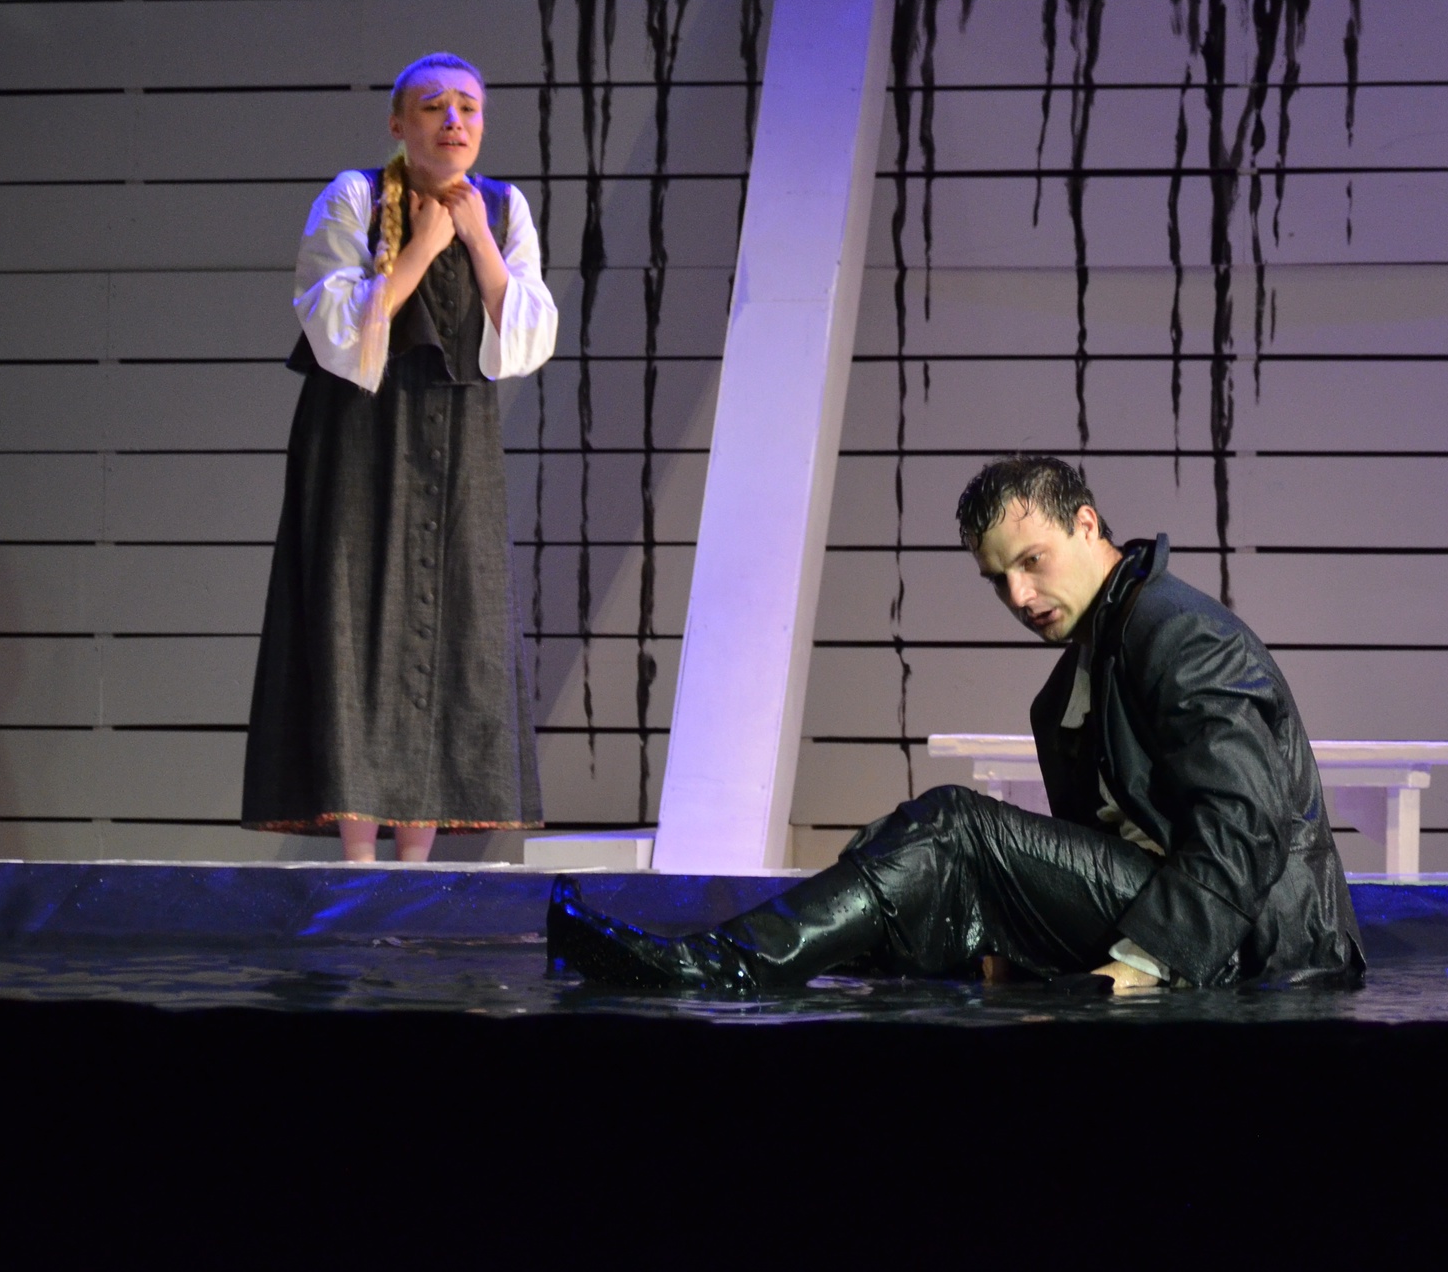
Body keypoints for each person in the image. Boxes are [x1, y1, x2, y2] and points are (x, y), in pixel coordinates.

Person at [547, 455, 1365, 992]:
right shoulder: (1075, 678)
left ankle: (715, 968)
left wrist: (1144, 962)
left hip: (1258, 945)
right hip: (1184, 917)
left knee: (952, 825)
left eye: (1032, 562)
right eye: (998, 580)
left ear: (1087, 525)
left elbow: (1245, 824)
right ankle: (701, 961)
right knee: (904, 851)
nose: (1019, 597)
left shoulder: (1178, 631)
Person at [242, 53, 559, 861]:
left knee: (453, 624)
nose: (454, 121)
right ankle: (358, 857)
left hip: (458, 441)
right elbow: (336, 331)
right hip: (360, 436)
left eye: (469, 108)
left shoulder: (503, 208)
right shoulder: (354, 197)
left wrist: (476, 238)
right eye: (434, 106)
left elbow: (527, 337)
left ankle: (416, 860)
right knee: (356, 621)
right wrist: (422, 246)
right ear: (399, 123)